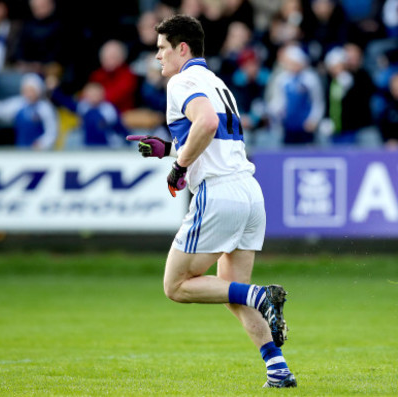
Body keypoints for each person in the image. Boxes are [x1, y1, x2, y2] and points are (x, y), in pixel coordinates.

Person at [126, 14, 296, 389]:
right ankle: (278, 369)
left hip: (218, 192)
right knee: (229, 290)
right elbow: (212, 133)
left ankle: (260, 295)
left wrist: (179, 164)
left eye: (161, 49)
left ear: (182, 49)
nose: (157, 58)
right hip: (249, 192)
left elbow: (205, 125)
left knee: (177, 285)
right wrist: (169, 146)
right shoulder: (217, 83)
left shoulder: (182, 80)